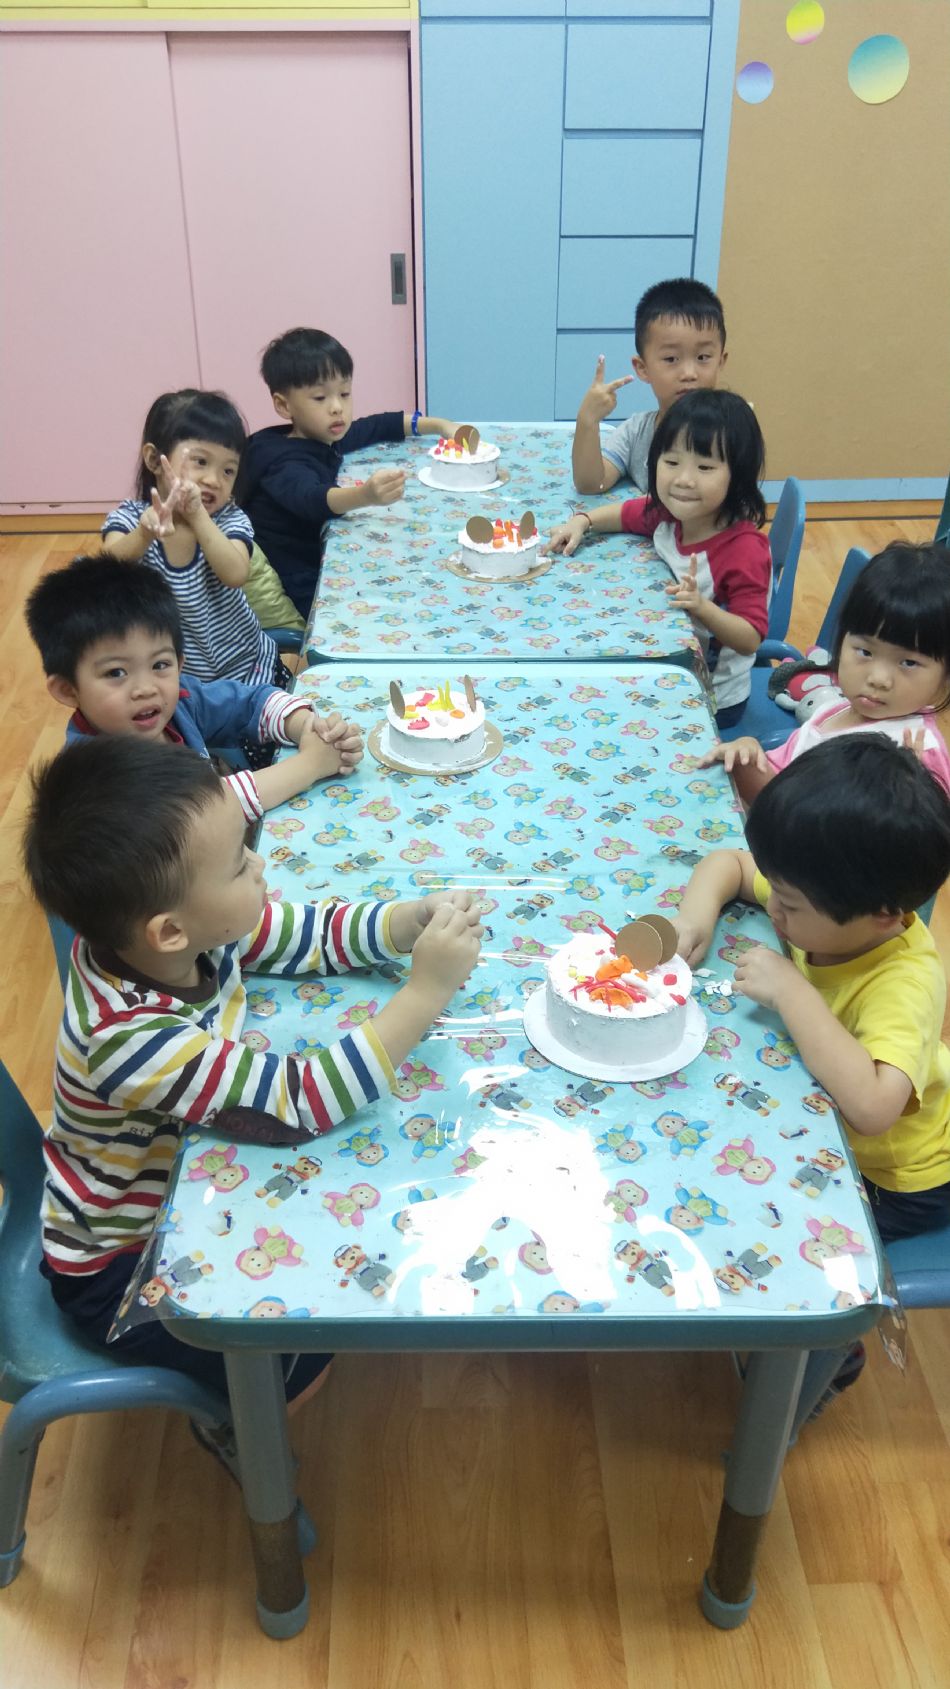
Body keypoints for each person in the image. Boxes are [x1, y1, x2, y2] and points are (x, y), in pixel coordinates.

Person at [22, 736, 483, 1427]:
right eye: (240, 863)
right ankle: (239, 1437)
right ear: (169, 931)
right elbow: (297, 1104)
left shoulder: (185, 934)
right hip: (118, 1262)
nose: (261, 865)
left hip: (179, 1188)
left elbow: (306, 935)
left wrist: (403, 923)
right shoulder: (128, 1037)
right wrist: (425, 991)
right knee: (296, 1359)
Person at [674, 735, 950, 1249]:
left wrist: (793, 992)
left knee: (766, 1227)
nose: (774, 907)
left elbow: (873, 1109)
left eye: (790, 904)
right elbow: (730, 864)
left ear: (882, 915)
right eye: (775, 890)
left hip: (893, 1177)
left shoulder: (905, 984)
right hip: (821, 1110)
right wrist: (695, 919)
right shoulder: (829, 891)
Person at [26, 555, 361, 823]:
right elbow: (206, 814)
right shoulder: (91, 774)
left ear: (179, 662)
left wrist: (308, 728)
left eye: (160, 664)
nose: (146, 688)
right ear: (68, 690)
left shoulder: (180, 700)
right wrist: (312, 763)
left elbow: (250, 702)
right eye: (116, 672)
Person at [550, 390, 770, 728]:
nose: (683, 480)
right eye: (671, 462)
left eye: (705, 467)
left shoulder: (744, 550)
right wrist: (583, 521)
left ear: (737, 475)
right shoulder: (669, 513)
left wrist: (702, 607)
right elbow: (627, 513)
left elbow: (750, 637)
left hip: (708, 696)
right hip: (658, 657)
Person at [700, 541, 950, 802]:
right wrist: (750, 757)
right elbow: (778, 788)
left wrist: (908, 800)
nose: (878, 679)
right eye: (865, 652)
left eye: (908, 663)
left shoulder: (917, 758)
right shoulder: (835, 710)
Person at [239, 327, 458, 617]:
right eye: (320, 398)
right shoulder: (283, 464)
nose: (337, 408)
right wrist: (365, 495)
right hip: (297, 582)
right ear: (283, 405)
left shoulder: (319, 435)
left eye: (344, 394)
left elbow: (376, 426)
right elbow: (314, 499)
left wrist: (440, 425)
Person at [102, 388, 288, 691]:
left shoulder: (229, 519)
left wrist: (198, 516)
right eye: (200, 462)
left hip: (246, 669)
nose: (214, 479)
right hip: (174, 680)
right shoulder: (131, 518)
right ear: (154, 459)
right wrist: (144, 534)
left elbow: (235, 574)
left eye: (228, 470)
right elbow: (107, 569)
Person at [571, 277, 727, 496]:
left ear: (721, 361)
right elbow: (591, 485)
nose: (689, 374)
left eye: (702, 357)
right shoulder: (637, 432)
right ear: (642, 368)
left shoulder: (730, 434)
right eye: (671, 359)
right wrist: (587, 420)